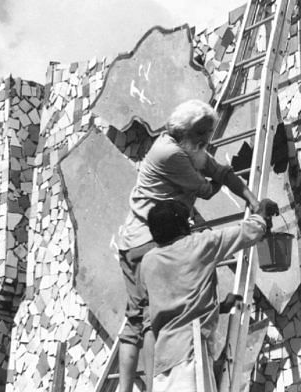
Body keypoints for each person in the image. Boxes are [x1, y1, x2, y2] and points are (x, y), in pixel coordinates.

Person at [115, 99, 275, 392]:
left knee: (140, 319)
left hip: (136, 242)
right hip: (149, 238)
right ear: (183, 128)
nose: (206, 141)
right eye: (201, 134)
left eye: (208, 135)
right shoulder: (170, 153)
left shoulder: (188, 147)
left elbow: (221, 174)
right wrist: (255, 213)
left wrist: (251, 200)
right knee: (148, 323)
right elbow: (206, 189)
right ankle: (145, 387)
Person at [138, 198, 278, 391]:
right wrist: (262, 213)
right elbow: (247, 232)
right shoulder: (198, 244)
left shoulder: (148, 263)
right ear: (181, 225)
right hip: (189, 355)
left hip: (162, 367)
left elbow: (173, 311)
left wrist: (219, 307)